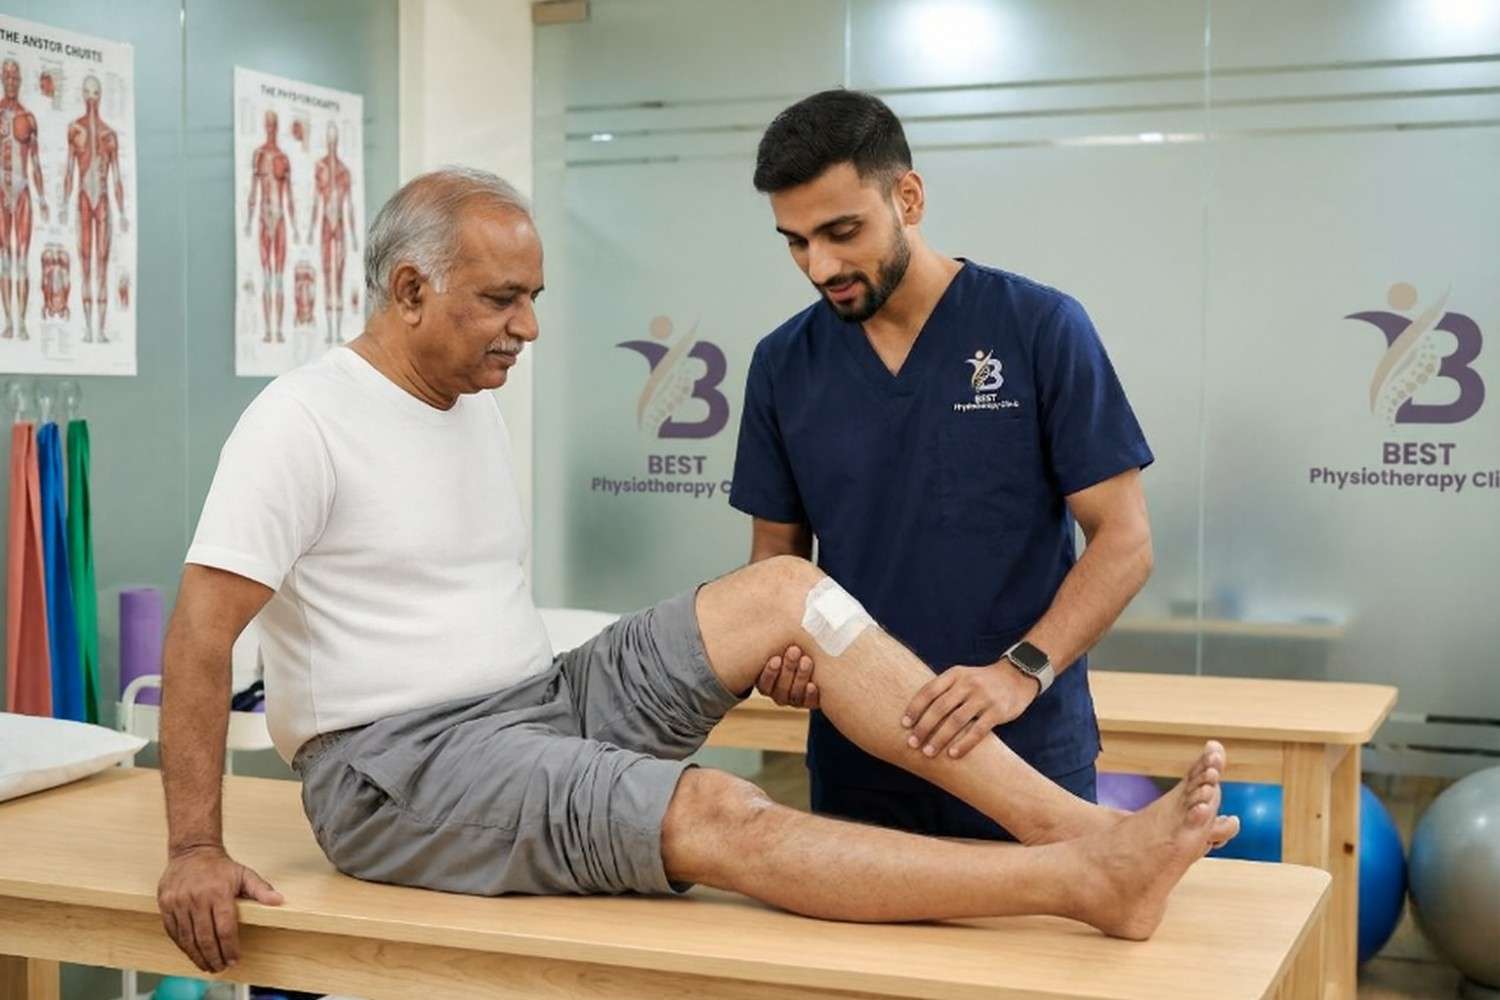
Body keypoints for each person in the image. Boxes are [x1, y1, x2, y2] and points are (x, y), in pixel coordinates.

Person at [155, 167, 1236, 976]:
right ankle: (1084, 879)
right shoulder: (299, 422)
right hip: (401, 769)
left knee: (784, 592)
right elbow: (203, 634)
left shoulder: (467, 406)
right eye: (500, 301)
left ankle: (1086, 828)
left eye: (534, 296)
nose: (528, 327)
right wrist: (196, 845)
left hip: (539, 704)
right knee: (721, 810)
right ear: (408, 291)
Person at [733, 90, 1155, 840]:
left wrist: (1018, 672)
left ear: (909, 197)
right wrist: (781, 655)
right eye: (795, 242)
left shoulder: (1038, 328)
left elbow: (1124, 542)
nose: (819, 265)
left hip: (1021, 750)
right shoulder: (781, 365)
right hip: (860, 762)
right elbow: (776, 567)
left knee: (1042, 959)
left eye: (842, 231)